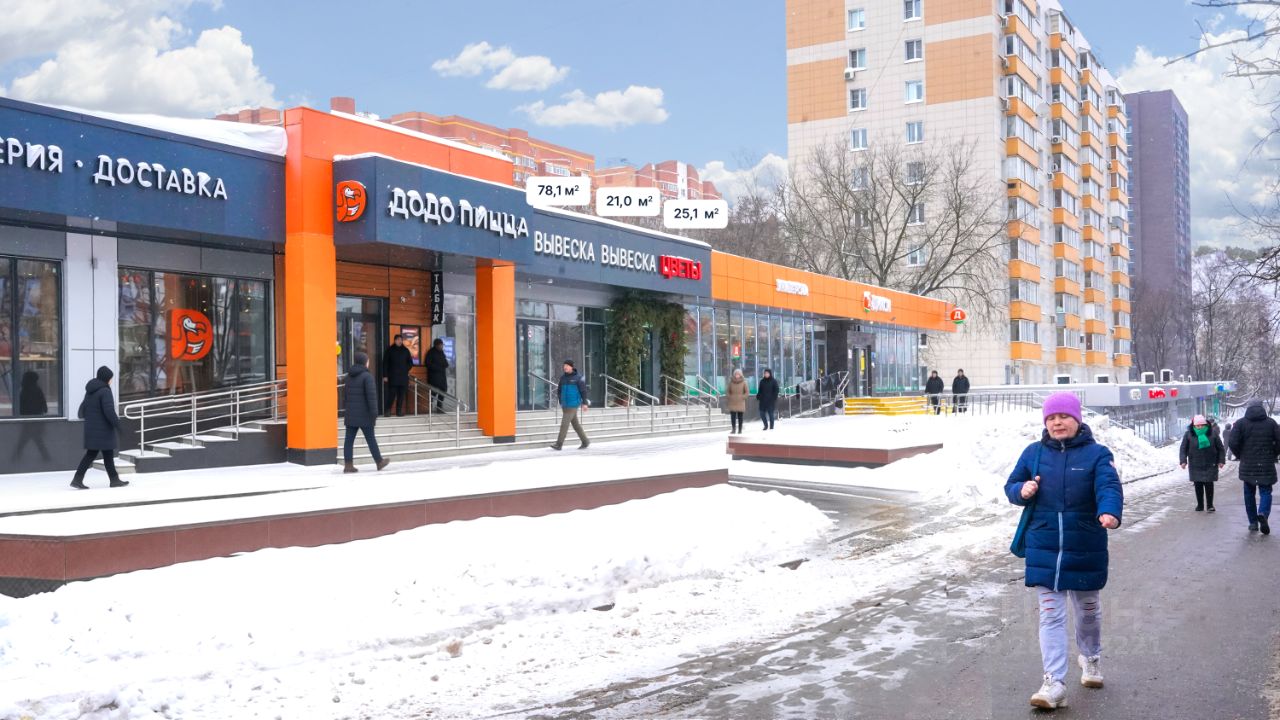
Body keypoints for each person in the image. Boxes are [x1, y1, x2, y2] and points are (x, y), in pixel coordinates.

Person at [1005, 392, 1123, 710]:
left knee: (1088, 611)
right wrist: (1022, 490)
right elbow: (1011, 485)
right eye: (1051, 418)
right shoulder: (1033, 453)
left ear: (1077, 420)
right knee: (1050, 615)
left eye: (1064, 417)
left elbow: (1109, 486)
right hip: (1043, 545)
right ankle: (1054, 682)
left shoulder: (1098, 454)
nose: (1057, 422)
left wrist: (1109, 511)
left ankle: (1091, 657)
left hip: (1084, 543)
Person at [70, 366, 128, 490]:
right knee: (99, 455)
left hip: (92, 428)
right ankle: (79, 479)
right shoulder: (105, 391)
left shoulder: (90, 390)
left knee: (102, 454)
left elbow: (83, 410)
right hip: (103, 430)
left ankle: (113, 479)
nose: (111, 381)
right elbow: (109, 411)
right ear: (106, 378)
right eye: (110, 378)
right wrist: (118, 425)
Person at [1228, 399, 1280, 534]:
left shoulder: (1240, 424)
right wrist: (1273, 454)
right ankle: (1263, 513)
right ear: (1262, 408)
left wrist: (1240, 454)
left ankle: (1252, 522)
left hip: (1248, 465)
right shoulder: (1271, 423)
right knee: (1266, 491)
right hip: (1266, 464)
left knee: (1249, 494)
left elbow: (1232, 442)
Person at [344, 352, 389, 473]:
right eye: (368, 361)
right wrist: (374, 414)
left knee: (348, 440)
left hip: (351, 414)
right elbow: (372, 397)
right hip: (365, 415)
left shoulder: (349, 376)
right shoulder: (367, 377)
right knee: (371, 439)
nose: (368, 362)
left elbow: (345, 396)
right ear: (364, 362)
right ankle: (379, 462)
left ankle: (348, 465)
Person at [1180, 414, 1226, 512]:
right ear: (1194, 425)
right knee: (1198, 484)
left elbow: (1220, 448)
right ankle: (1200, 505)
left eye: (1202, 425)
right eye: (1198, 425)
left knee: (1209, 484)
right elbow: (1183, 448)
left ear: (1206, 424)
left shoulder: (1212, 433)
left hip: (1210, 462)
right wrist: (1183, 461)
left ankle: (1210, 505)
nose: (1200, 427)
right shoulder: (1189, 434)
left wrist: (1221, 460)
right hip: (1195, 463)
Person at [551, 360, 590, 451]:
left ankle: (559, 444)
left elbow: (583, 391)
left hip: (573, 404)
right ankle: (585, 441)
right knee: (576, 425)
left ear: (571, 367)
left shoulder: (578, 378)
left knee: (564, 424)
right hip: (565, 404)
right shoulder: (563, 378)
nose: (565, 367)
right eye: (564, 365)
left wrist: (585, 403)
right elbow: (559, 390)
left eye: (567, 366)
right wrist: (560, 400)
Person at [383, 335, 412, 417]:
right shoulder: (389, 350)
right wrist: (385, 375)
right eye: (398, 340)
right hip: (393, 377)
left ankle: (398, 411)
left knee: (401, 395)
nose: (400, 341)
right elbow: (385, 363)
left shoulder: (405, 350)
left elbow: (410, 363)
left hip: (403, 377)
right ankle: (387, 410)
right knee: (391, 395)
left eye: (401, 340)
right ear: (395, 340)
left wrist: (405, 369)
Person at [425, 338, 450, 413]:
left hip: (442, 377)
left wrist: (444, 365)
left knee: (442, 391)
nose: (441, 346)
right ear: (436, 345)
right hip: (434, 378)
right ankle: (429, 409)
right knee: (433, 393)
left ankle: (439, 408)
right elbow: (428, 364)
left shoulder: (441, 352)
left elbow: (446, 363)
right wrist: (438, 367)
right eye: (440, 345)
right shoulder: (431, 352)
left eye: (442, 345)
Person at [726, 368, 748, 435]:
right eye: (736, 374)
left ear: (741, 375)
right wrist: (729, 397)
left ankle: (740, 429)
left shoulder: (744, 382)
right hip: (732, 402)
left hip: (740, 402)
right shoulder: (731, 382)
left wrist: (743, 397)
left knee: (740, 417)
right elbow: (727, 391)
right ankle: (733, 429)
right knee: (733, 417)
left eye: (738, 374)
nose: (737, 375)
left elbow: (747, 392)